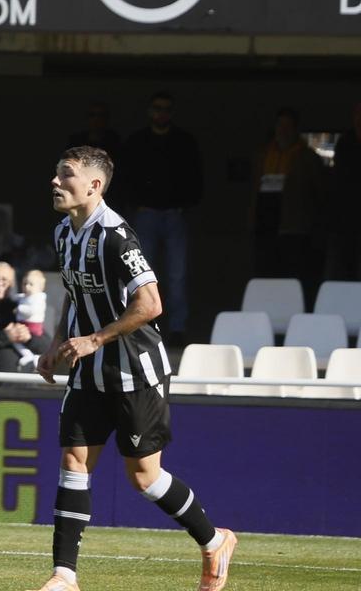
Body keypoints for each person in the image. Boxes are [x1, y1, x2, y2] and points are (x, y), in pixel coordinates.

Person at [33, 146, 236, 591]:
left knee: (144, 478)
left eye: (65, 174)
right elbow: (73, 292)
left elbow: (151, 303)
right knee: (73, 462)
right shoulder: (63, 234)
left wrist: (95, 339)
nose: (55, 181)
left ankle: (214, 539)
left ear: (94, 185)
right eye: (54, 173)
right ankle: (64, 576)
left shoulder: (117, 236)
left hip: (135, 372)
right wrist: (55, 345)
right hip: (88, 372)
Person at [118, 91, 202, 346]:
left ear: (172, 112)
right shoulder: (137, 141)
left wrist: (186, 205)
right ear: (149, 111)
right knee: (142, 273)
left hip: (175, 214)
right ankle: (141, 325)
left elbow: (196, 178)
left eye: (166, 108)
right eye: (157, 108)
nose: (161, 113)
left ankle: (177, 328)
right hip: (145, 214)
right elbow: (124, 177)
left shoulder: (184, 142)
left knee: (177, 275)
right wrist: (134, 206)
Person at [248, 107, 326, 303]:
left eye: (288, 126)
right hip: (264, 226)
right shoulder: (263, 154)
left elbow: (320, 192)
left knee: (293, 277)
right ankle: (265, 318)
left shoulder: (307, 157)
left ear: (295, 129)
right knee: (265, 274)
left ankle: (293, 319)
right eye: (280, 125)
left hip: (294, 228)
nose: (283, 130)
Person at [325, 102, 361, 280]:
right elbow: (340, 178)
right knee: (345, 267)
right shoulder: (346, 143)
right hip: (345, 219)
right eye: (358, 114)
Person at [16, 269, 48, 338]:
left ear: (40, 288)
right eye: (24, 284)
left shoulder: (38, 299)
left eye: (31, 284)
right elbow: (19, 297)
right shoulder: (25, 296)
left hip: (32, 326)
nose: (27, 287)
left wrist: (18, 308)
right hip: (22, 324)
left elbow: (32, 311)